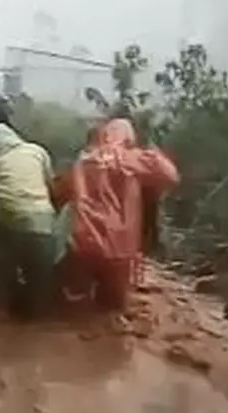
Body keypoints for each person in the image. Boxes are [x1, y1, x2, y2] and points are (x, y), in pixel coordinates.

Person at [52, 117, 180, 312]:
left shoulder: (83, 162)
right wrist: (152, 153)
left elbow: (58, 194)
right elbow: (171, 176)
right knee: (112, 309)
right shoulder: (131, 159)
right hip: (120, 248)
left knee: (74, 306)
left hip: (84, 242)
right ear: (128, 139)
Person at [0, 96, 58, 319]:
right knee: (39, 280)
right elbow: (51, 186)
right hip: (41, 221)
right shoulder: (37, 151)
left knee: (0, 265)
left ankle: (1, 304)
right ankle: (34, 318)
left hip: (2, 222)